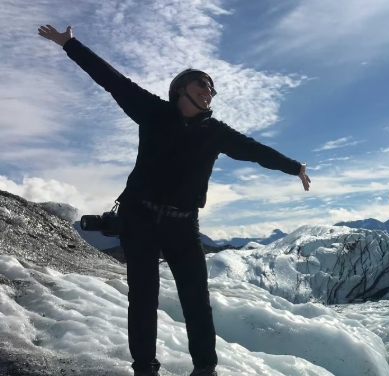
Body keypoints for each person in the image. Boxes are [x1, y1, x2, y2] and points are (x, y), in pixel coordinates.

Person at [38, 25, 311, 376]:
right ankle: (145, 368)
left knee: (197, 300)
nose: (209, 92)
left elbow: (255, 151)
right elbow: (112, 80)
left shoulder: (216, 133)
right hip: (139, 219)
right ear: (181, 89)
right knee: (143, 299)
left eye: (212, 89)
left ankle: (205, 369)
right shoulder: (153, 112)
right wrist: (69, 44)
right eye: (203, 85)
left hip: (183, 224)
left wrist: (294, 167)